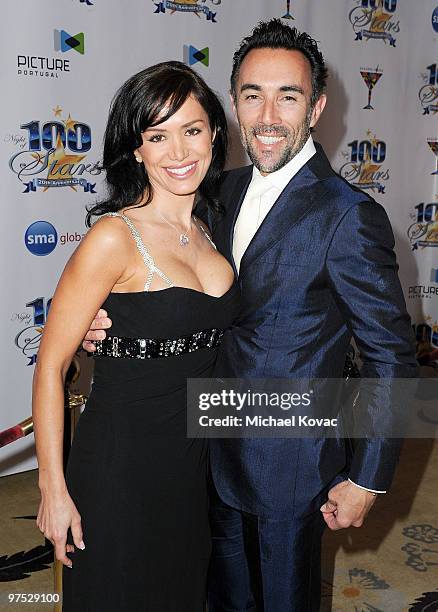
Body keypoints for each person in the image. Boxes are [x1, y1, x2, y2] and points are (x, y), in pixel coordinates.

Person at [84, 20, 418, 612]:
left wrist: (368, 476)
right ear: (233, 103)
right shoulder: (217, 193)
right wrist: (105, 322)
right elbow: (164, 279)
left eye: (287, 96)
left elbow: (390, 356)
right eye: (251, 94)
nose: (267, 114)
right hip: (200, 453)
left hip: (287, 469)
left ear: (315, 108)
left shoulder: (349, 217)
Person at [32, 61, 240, 611]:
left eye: (192, 130)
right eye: (158, 135)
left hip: (192, 467)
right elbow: (50, 366)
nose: (179, 151)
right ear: (136, 149)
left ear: (214, 136)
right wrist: (53, 490)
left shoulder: (213, 228)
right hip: (121, 465)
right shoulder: (113, 238)